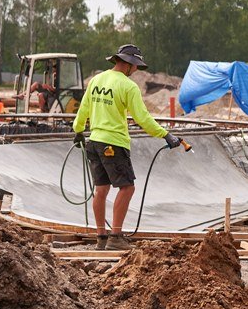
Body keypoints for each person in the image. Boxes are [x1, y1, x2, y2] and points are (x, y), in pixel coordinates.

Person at [72, 44, 181, 251]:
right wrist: (165, 135)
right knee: (127, 187)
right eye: (137, 67)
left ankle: (101, 238)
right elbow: (142, 118)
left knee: (101, 190)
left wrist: (78, 131)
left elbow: (83, 109)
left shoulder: (96, 80)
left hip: (93, 142)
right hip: (114, 143)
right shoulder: (128, 86)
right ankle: (116, 237)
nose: (137, 71)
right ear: (129, 65)